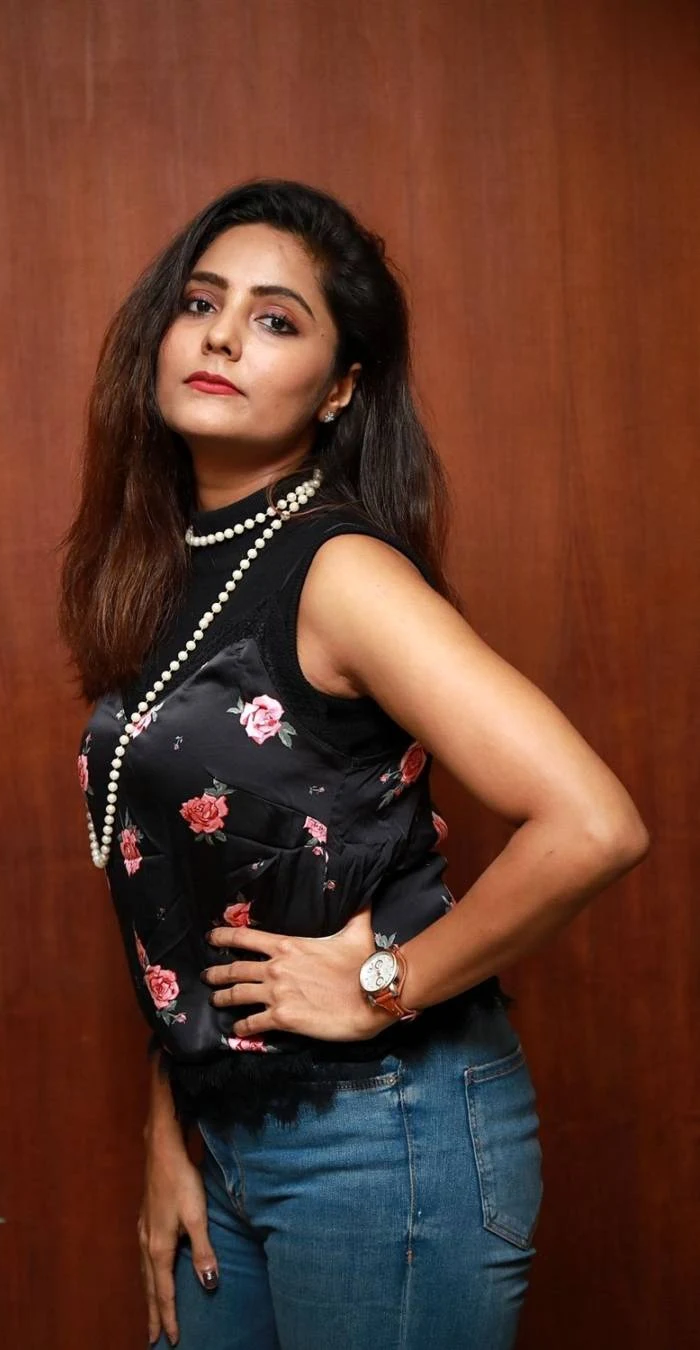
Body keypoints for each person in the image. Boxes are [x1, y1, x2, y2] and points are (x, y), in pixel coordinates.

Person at [57, 179, 650, 1350]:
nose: (223, 335)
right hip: (226, 1140)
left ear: (339, 389)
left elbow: (595, 823)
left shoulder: (340, 572)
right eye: (200, 303)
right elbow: (189, 895)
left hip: (385, 1142)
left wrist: (386, 984)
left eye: (277, 319)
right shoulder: (166, 572)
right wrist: (171, 1129)